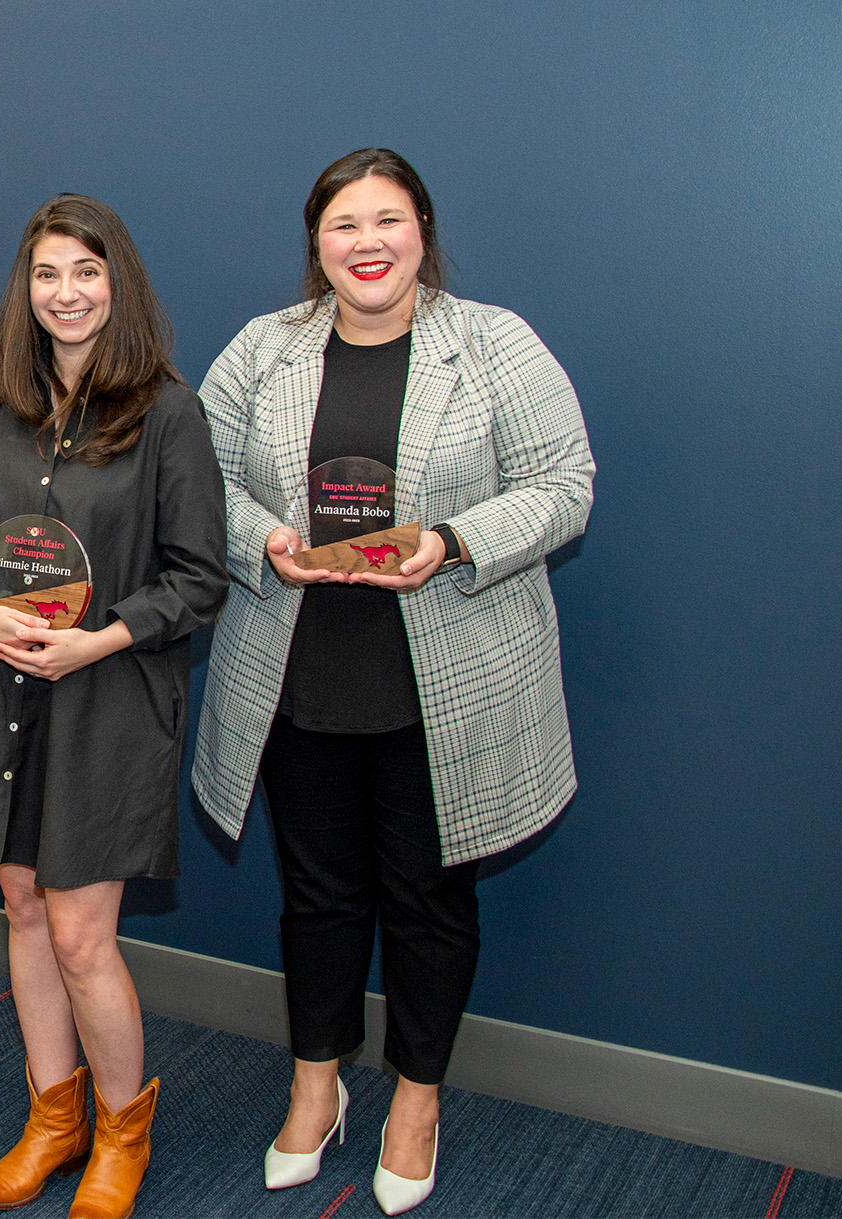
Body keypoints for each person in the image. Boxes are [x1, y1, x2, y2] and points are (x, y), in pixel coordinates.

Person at [193, 149, 594, 1215]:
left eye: (387, 220)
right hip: (296, 676)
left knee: (426, 902)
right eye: (342, 225)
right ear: (314, 245)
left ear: (421, 230)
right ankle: (314, 1085)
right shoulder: (262, 351)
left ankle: (415, 1099)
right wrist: (264, 537)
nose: (365, 243)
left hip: (445, 685)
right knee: (317, 899)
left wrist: (455, 539)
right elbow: (201, 478)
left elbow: (565, 485)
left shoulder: (491, 343)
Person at [0, 195, 227, 1219]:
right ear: (26, 288)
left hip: (104, 698)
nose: (65, 293)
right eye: (47, 274)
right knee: (19, 906)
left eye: (85, 273)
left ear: (118, 284)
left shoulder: (167, 413)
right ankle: (50, 1120)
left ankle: (117, 1131)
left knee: (83, 935)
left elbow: (198, 576)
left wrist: (100, 634)